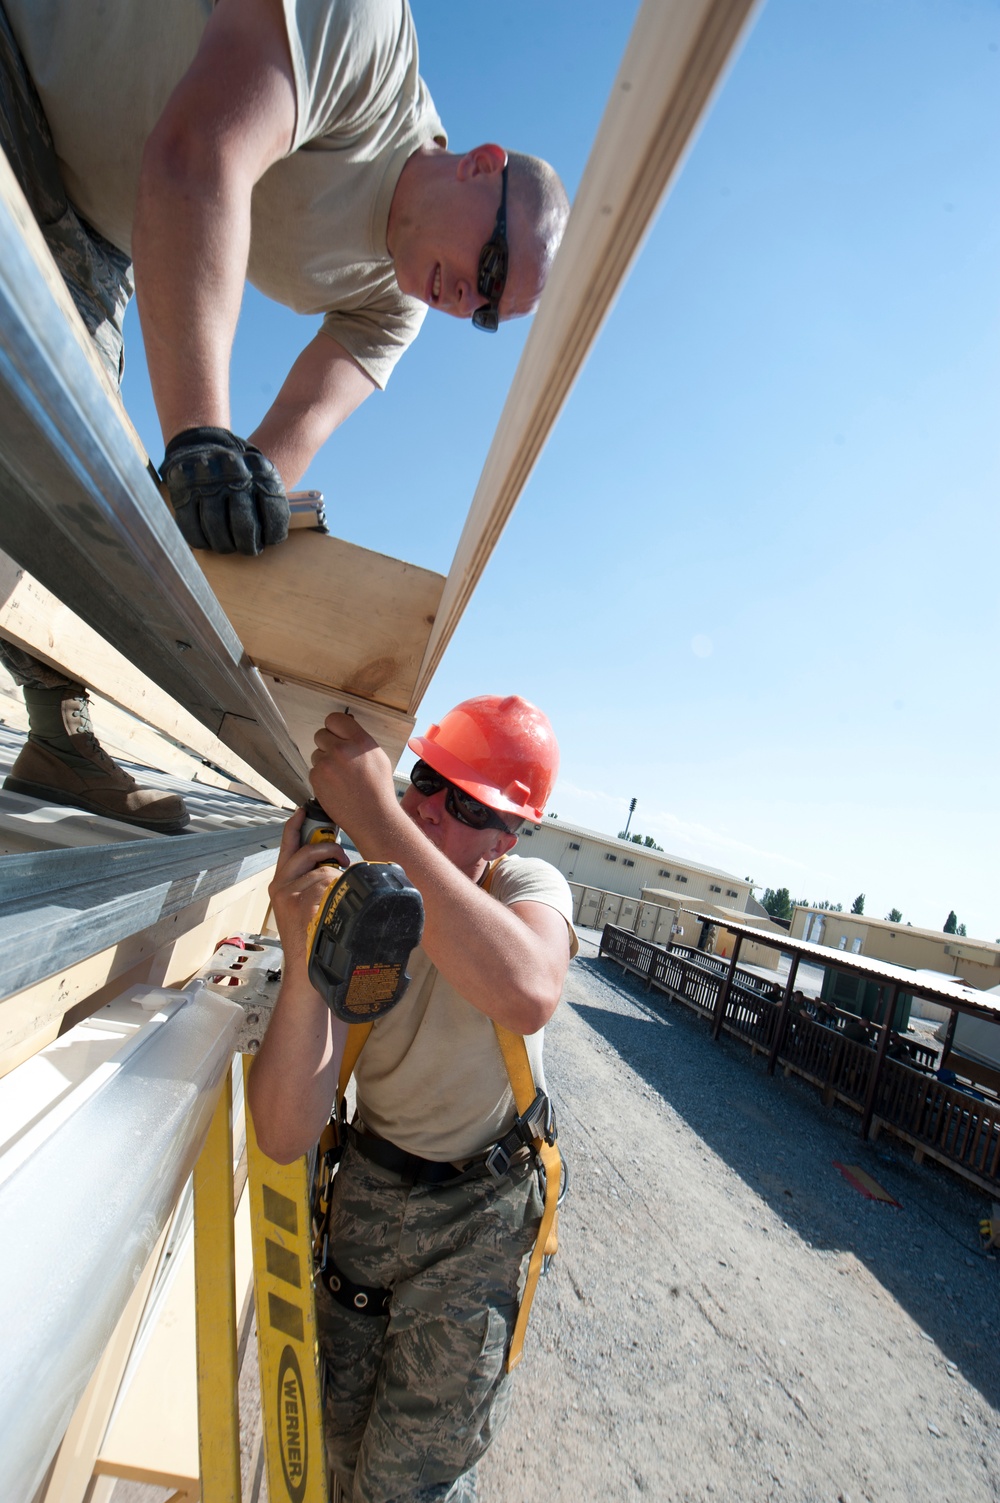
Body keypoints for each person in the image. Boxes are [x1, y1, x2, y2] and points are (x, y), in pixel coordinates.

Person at [0, 0, 569, 830]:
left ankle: (57, 731)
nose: (469, 298)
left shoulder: (395, 306)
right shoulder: (366, 39)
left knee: (73, 473)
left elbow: (285, 438)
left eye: (488, 310)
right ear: (482, 166)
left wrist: (233, 507)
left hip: (91, 225)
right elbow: (199, 157)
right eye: (491, 263)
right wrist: (198, 437)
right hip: (21, 64)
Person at [249, 695, 578, 1502]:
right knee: (335, 1445)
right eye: (427, 780)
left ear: (506, 835)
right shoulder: (357, 896)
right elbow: (285, 1131)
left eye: (466, 804)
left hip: (480, 1210)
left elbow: (528, 989)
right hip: (368, 1189)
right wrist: (303, 951)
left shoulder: (524, 885)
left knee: (408, 1484)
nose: (431, 806)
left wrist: (381, 822)